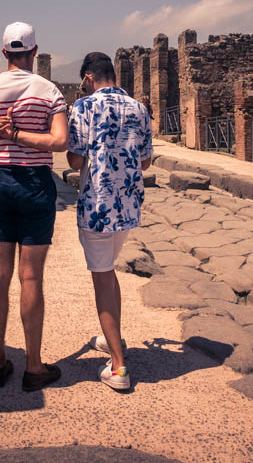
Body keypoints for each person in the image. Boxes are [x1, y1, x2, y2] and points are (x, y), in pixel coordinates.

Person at [0, 22, 69, 391]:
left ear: (5, 53)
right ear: (34, 53)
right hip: (36, 186)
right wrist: (20, 134)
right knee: (31, 277)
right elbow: (59, 142)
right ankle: (34, 366)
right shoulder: (48, 90)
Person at [65, 52, 152, 391]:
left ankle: (118, 367)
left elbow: (73, 160)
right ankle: (110, 338)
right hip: (129, 206)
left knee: (101, 280)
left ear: (88, 78)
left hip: (98, 207)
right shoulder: (139, 108)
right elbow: (144, 164)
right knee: (109, 270)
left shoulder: (84, 108)